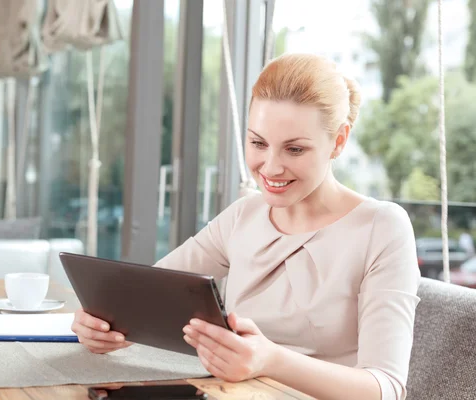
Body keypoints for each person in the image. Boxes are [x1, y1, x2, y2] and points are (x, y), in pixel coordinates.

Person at [71, 53, 420, 400]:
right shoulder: (244, 215)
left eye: (294, 149)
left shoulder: (382, 227)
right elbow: (143, 298)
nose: (270, 168)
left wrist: (271, 360)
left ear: (339, 141)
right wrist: (106, 328)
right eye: (258, 143)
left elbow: (385, 387)